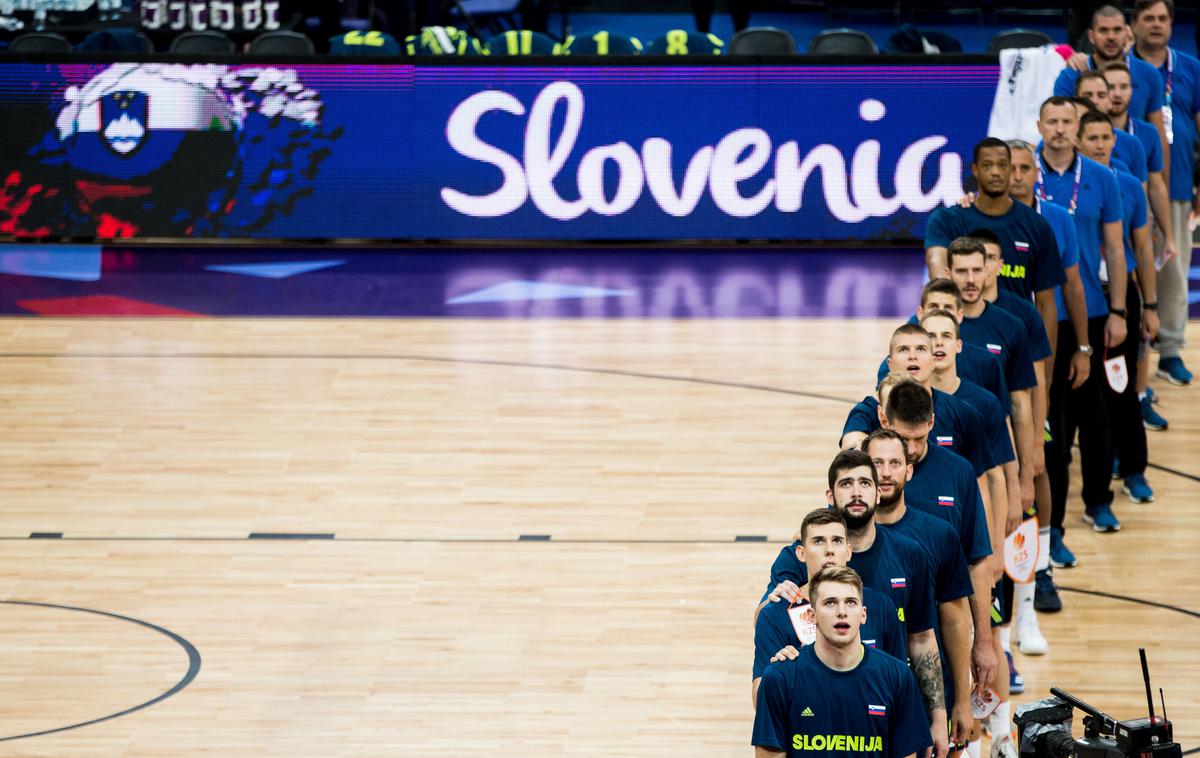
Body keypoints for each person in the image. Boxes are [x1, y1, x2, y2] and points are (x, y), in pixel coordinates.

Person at [760, 450, 947, 757]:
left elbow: (920, 643)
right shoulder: (788, 587)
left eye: (864, 482)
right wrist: (781, 673)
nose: (828, 551)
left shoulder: (890, 597)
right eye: (847, 483)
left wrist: (937, 717)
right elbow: (767, 615)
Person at [1036, 95, 1127, 541]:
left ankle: (1098, 502)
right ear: (1039, 125)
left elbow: (1115, 248)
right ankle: (1049, 523)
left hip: (1087, 313)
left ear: (1078, 126)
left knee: (1093, 417)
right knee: (1050, 421)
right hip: (1038, 315)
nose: (1058, 129)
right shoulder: (1024, 173)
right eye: (1050, 121)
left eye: (1066, 121)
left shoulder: (1103, 178)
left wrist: (1119, 310)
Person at [878, 380, 999, 713]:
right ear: (885, 422)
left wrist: (983, 642)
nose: (912, 449)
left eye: (920, 438)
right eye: (904, 440)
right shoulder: (867, 473)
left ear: (932, 422)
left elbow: (976, 562)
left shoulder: (959, 472)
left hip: (937, 638)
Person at [1005, 139, 1089, 612]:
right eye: (1007, 167)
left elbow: (1056, 299)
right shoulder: (973, 222)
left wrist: (1058, 366)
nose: (1015, 175)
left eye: (1022, 167)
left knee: (1038, 464)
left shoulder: (1052, 220)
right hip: (982, 370)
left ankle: (1042, 564)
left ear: (1034, 171)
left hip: (1033, 371)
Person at [863, 430, 976, 752]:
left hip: (916, 698)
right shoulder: (836, 538)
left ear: (909, 471)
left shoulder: (939, 535)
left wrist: (960, 704)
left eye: (895, 463)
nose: (885, 472)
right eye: (876, 463)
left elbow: (953, 621)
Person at [753, 566, 933, 758]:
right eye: (830, 603)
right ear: (811, 616)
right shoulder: (780, 678)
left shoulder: (897, 677)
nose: (842, 611)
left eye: (850, 602)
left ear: (863, 614)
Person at [1075, 109, 1161, 505]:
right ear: (1078, 141)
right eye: (1090, 137)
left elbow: (1142, 248)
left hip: (1118, 297)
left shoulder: (1128, 186)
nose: (1098, 144)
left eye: (1104, 137)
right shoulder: (1053, 185)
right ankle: (1097, 469)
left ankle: (1134, 470)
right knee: (1085, 396)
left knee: (1121, 390)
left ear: (1114, 141)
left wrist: (1148, 305)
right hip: (1077, 301)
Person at [925, 139, 1072, 357]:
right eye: (987, 165)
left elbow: (1046, 305)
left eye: (1003, 165)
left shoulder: (1037, 225)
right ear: (975, 170)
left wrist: (1046, 373)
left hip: (1016, 347)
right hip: (964, 343)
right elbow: (938, 273)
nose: (995, 172)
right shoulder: (948, 219)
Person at [753, 508, 907, 704]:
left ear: (848, 551)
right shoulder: (775, 613)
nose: (829, 550)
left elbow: (900, 686)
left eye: (837, 540)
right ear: (801, 553)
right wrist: (777, 676)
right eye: (818, 541)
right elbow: (759, 700)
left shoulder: (881, 606)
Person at [1101, 61, 1176, 429]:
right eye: (1107, 87)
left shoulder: (1140, 138)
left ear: (1133, 91)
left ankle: (1140, 396)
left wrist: (1168, 233)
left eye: (1122, 86)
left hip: (1130, 242)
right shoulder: (1079, 140)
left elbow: (1153, 187)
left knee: (1137, 336)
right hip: (1091, 263)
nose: (1115, 94)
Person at [1132, 0, 1200, 386]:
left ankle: (1171, 350)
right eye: (1148, 18)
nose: (1156, 25)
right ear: (1135, 24)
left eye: (1163, 18)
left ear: (1172, 24)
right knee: (1130, 264)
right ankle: (1138, 344)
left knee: (1173, 267)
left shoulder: (1190, 68)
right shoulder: (1123, 69)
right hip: (1129, 186)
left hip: (1175, 184)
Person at [1055, 3, 1168, 157]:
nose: (1111, 37)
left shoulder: (1149, 74)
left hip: (1135, 167)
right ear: (1091, 36)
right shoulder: (1070, 76)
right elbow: (1061, 130)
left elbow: (1160, 136)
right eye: (1103, 30)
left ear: (1127, 33)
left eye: (1117, 30)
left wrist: (1165, 180)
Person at [1076, 72, 1150, 183]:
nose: (1095, 101)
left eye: (1101, 95)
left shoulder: (1131, 144)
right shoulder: (1060, 141)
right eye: (1088, 95)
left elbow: (1138, 195)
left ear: (1110, 101)